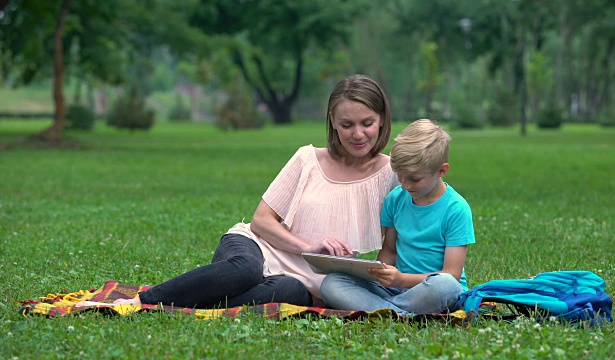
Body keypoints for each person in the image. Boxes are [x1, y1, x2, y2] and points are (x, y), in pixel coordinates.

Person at [87, 74, 398, 309]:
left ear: (382, 118)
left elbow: (414, 228)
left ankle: (197, 303)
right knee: (245, 270)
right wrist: (310, 246)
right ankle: (144, 301)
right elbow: (262, 221)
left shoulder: (391, 174)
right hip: (256, 247)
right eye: (347, 125)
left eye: (367, 123)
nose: (358, 134)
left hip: (307, 281)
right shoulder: (308, 159)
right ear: (332, 121)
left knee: (291, 294)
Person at [320, 119, 475, 315]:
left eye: (414, 179)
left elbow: (452, 274)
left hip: (432, 289)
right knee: (332, 283)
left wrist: (401, 279)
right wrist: (379, 272)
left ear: (442, 170)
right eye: (400, 176)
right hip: (395, 289)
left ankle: (384, 310)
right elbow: (390, 250)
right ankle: (399, 313)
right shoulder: (396, 199)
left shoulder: (456, 209)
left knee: (446, 286)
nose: (405, 185)